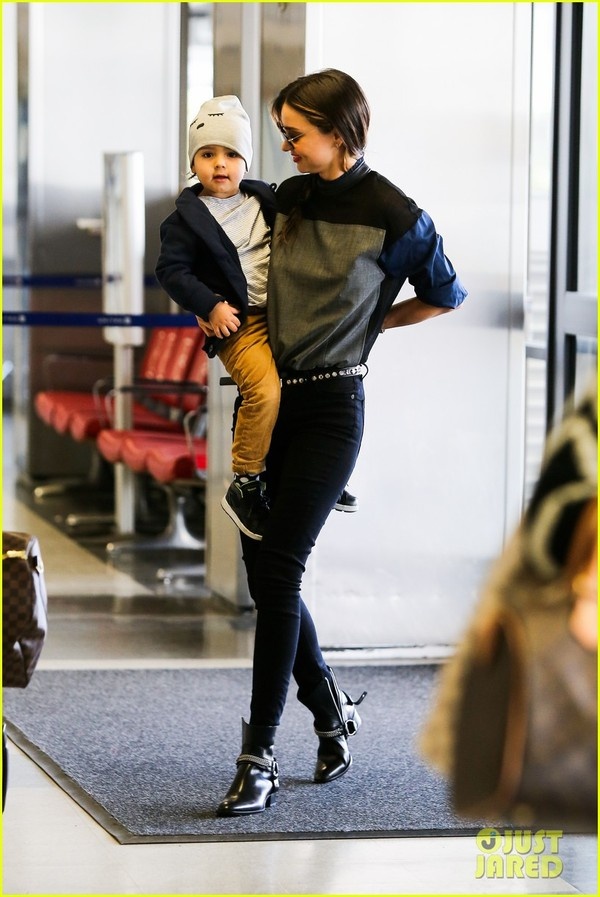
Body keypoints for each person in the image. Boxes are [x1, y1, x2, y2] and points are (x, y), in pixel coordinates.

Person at [216, 69, 467, 817]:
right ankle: (328, 707)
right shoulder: (288, 198)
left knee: (280, 569)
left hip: (332, 409)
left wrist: (373, 321)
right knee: (265, 571)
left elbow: (446, 294)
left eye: (296, 133)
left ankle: (258, 755)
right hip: (266, 405)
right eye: (281, 133)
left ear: (339, 132)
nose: (285, 146)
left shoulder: (396, 214)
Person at [155, 95, 357, 541]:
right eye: (207, 154)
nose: (219, 164)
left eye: (230, 154)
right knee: (264, 391)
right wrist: (208, 305)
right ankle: (246, 480)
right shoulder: (184, 220)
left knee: (315, 386)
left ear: (245, 160)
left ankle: (320, 474)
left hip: (286, 315)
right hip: (239, 324)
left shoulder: (266, 198)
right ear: (193, 162)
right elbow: (171, 272)